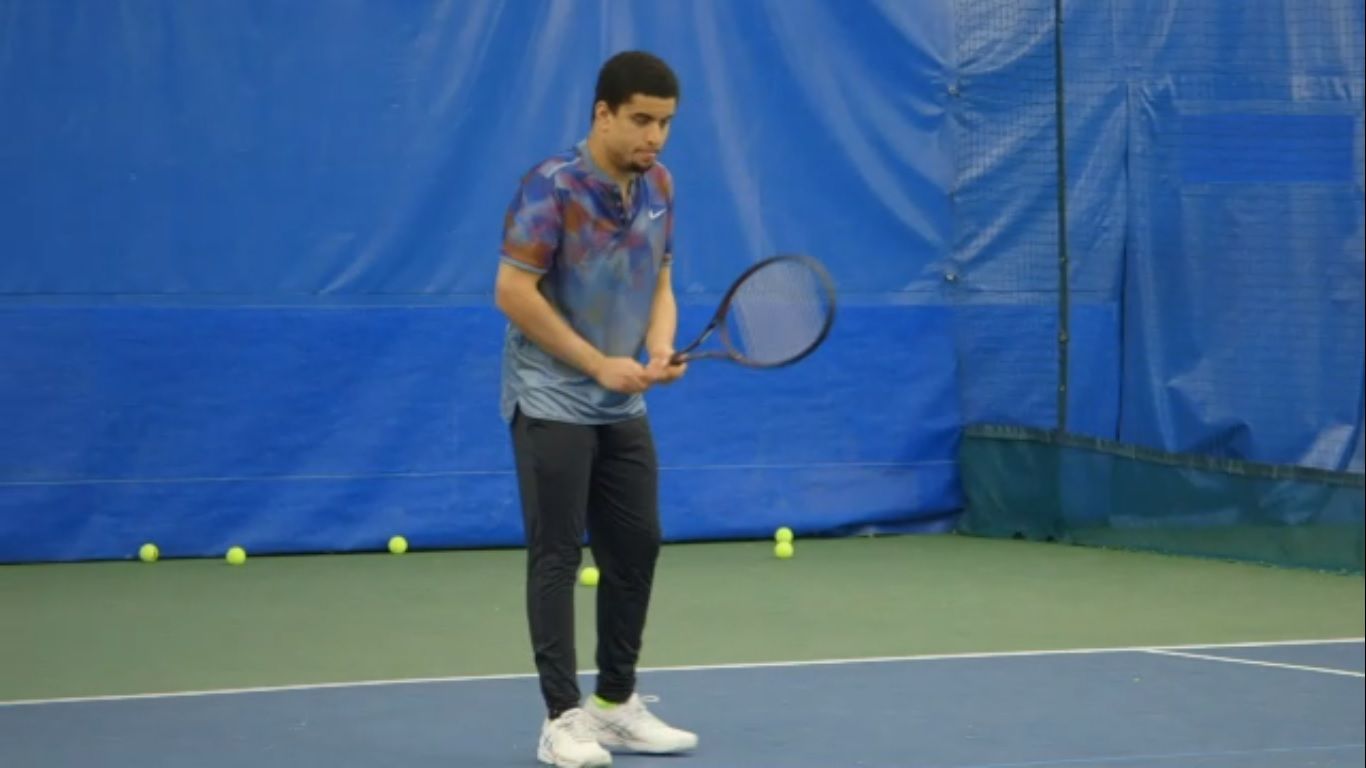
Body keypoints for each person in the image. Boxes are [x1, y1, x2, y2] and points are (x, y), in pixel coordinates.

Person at [493, 50, 699, 768]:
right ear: (603, 113)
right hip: (551, 398)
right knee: (556, 554)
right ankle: (561, 720)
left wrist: (660, 348)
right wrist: (596, 363)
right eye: (642, 120)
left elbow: (661, 280)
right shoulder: (549, 189)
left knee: (637, 543)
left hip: (620, 404)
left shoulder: (661, 186)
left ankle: (615, 704)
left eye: (666, 123)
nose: (656, 137)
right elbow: (512, 293)